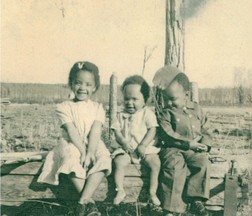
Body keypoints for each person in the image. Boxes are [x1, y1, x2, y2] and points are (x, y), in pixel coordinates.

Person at [38, 61, 111, 216]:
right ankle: (90, 205)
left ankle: (83, 201)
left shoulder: (98, 108)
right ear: (71, 84)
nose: (82, 88)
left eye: (88, 84)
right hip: (73, 143)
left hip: (93, 142)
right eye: (78, 83)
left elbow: (96, 130)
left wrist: (90, 152)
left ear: (95, 87)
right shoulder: (64, 107)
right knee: (71, 159)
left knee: (103, 159)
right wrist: (84, 153)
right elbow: (71, 131)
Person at [153, 66, 212, 216]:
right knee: (174, 168)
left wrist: (205, 144)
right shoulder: (166, 113)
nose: (169, 103)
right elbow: (167, 133)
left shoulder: (197, 110)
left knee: (202, 162)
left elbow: (207, 128)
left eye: (173, 99)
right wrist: (187, 143)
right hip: (173, 148)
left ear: (186, 94)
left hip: (194, 149)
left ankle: (196, 199)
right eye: (166, 99)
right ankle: (172, 208)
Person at [110, 75, 161, 206]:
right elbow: (116, 131)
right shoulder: (120, 115)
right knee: (119, 162)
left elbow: (152, 130)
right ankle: (120, 190)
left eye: (134, 99)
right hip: (126, 149)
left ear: (145, 100)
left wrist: (143, 145)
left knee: (155, 163)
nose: (129, 103)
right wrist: (123, 142)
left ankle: (152, 191)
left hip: (145, 149)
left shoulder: (147, 113)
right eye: (127, 99)